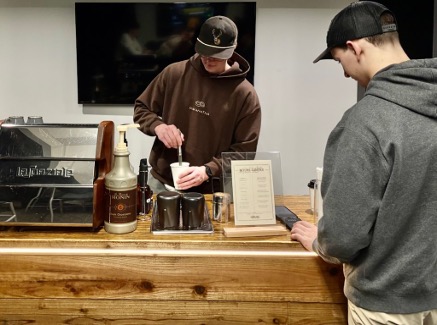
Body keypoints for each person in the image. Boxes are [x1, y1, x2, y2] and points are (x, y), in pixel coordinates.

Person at [290, 1, 437, 324]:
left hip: (385, 305)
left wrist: (319, 241)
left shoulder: (365, 122)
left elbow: (343, 237)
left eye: (339, 59)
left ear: (355, 48)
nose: (344, 73)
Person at [133, 16, 261, 194]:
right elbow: (141, 108)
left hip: (212, 191)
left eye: (216, 56)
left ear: (232, 50)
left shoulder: (244, 94)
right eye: (204, 52)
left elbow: (244, 151)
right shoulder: (175, 73)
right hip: (162, 183)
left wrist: (208, 170)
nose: (208, 60)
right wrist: (158, 127)